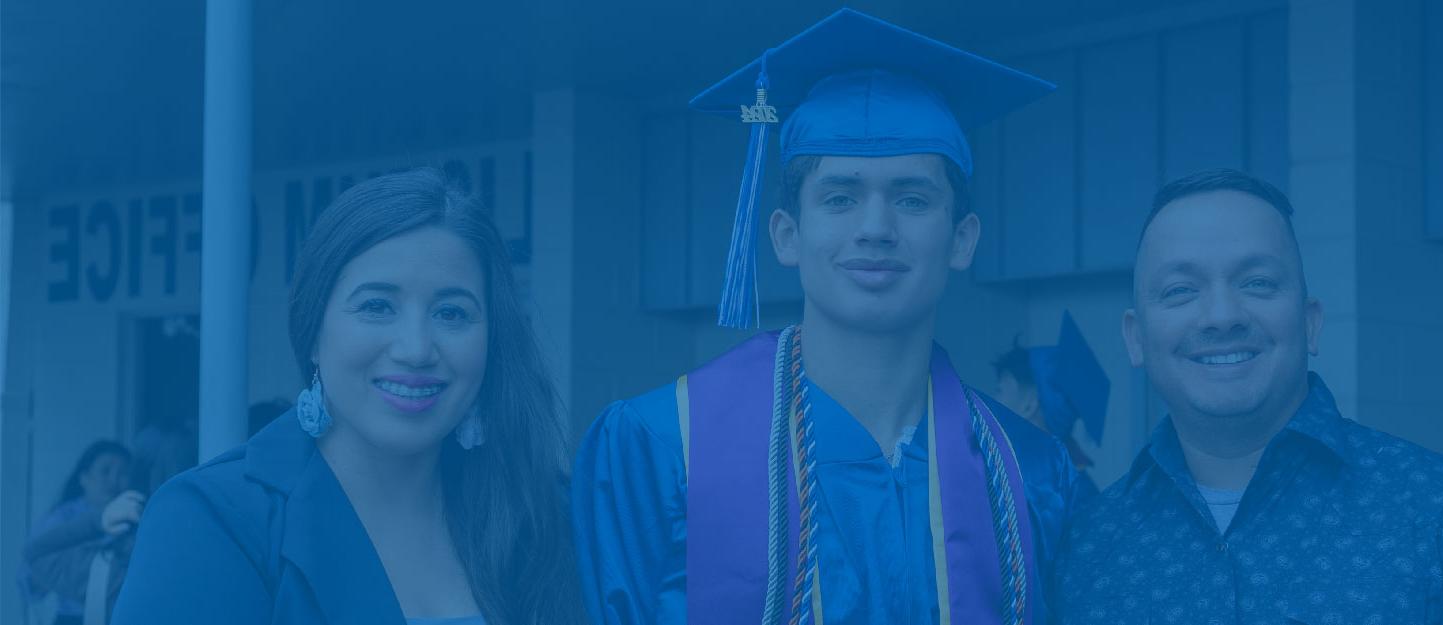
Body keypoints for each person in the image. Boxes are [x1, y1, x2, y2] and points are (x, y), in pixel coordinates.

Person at [572, 9, 1087, 624]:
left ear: (962, 239)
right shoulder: (660, 445)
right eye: (840, 198)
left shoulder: (1030, 470)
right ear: (787, 236)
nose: (875, 229)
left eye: (913, 198)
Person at [1053, 169, 1443, 624]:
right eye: (1180, 290)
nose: (1221, 316)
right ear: (1136, 338)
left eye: (1256, 282)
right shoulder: (1085, 546)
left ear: (1310, 323)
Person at [112, 168, 581, 624]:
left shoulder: (543, 516)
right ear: (313, 331)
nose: (416, 349)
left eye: (452, 313)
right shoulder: (212, 520)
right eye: (377, 306)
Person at [19, 441, 139, 625]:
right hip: (74, 617)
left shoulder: (136, 518)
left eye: (122, 474)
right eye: (105, 471)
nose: (114, 481)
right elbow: (31, 574)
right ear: (84, 477)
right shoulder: (62, 518)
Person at [991, 311, 1110, 471]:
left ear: (1029, 406)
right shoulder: (1063, 478)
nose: (992, 400)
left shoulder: (1030, 484)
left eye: (1000, 391)